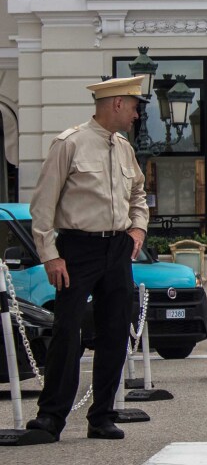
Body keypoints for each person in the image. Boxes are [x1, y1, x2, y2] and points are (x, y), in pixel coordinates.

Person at [24, 76, 149, 442]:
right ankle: (50, 418)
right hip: (77, 249)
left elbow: (138, 194)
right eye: (134, 106)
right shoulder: (70, 144)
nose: (137, 114)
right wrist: (50, 255)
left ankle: (102, 416)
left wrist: (137, 230)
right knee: (68, 331)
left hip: (117, 249)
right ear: (116, 104)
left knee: (114, 332)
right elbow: (42, 205)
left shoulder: (124, 149)